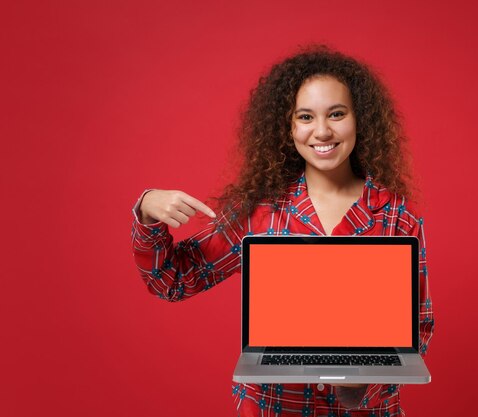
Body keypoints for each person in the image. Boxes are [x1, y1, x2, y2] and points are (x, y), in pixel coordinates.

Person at [130, 44, 434, 417]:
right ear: (288, 127)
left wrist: (363, 379)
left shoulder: (396, 216)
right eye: (305, 117)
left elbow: (418, 324)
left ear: (360, 120)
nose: (322, 131)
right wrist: (148, 212)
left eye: (336, 114)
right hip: (274, 408)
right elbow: (171, 281)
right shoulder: (259, 213)